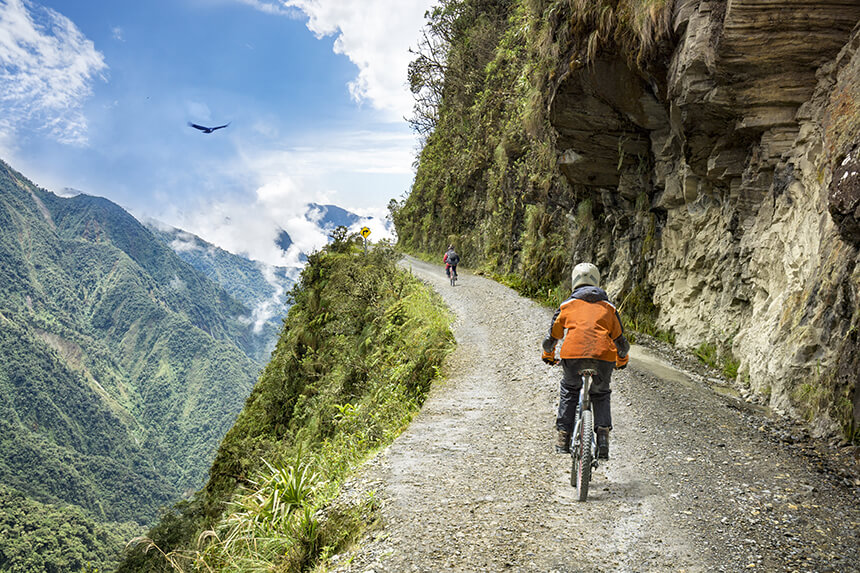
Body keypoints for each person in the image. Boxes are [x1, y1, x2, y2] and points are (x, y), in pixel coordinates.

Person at [541, 262, 629, 459]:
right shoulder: (609, 308)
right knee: (601, 393)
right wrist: (621, 360)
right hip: (603, 358)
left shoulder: (566, 306)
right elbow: (621, 343)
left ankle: (563, 438)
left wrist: (548, 355)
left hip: (572, 356)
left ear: (574, 282)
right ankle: (603, 438)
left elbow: (551, 339)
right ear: (597, 281)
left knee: (570, 390)